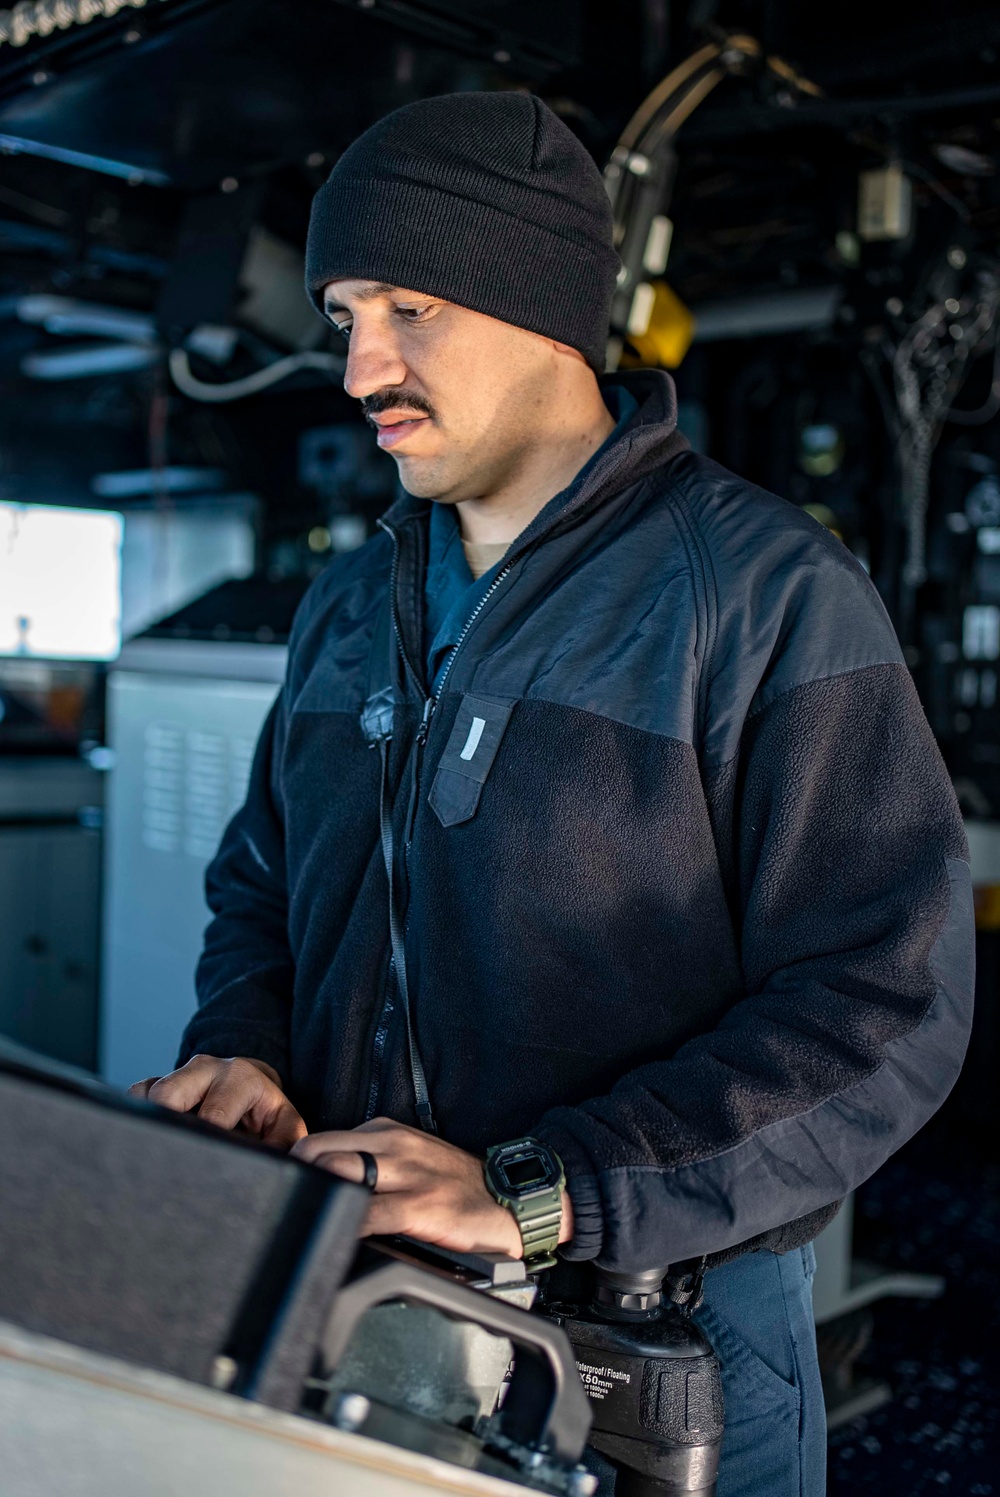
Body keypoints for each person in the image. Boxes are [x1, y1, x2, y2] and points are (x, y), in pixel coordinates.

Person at [130, 92, 975, 1495]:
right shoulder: (350, 604)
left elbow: (888, 1006)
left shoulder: (761, 595)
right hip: (362, 1299)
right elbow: (264, 888)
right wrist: (249, 1052)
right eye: (345, 316)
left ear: (543, 306)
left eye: (411, 306)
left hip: (658, 1334)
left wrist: (551, 1189)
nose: (360, 369)